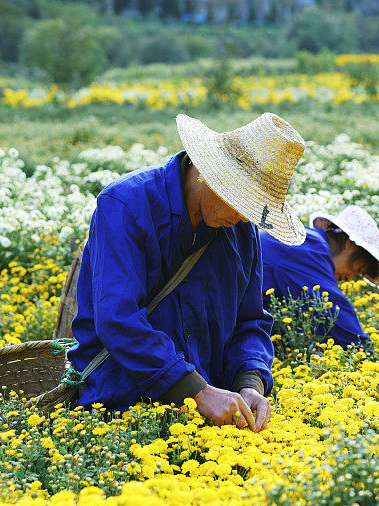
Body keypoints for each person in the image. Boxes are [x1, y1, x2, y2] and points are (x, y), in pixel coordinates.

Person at [66, 112, 307, 433]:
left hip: (212, 416)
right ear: (210, 174)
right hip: (120, 405)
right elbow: (118, 320)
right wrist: (196, 391)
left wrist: (250, 381)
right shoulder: (125, 205)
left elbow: (250, 321)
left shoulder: (240, 228)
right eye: (241, 203)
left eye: (253, 209)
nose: (244, 218)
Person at [260, 205, 379, 351]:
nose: (349, 279)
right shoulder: (309, 245)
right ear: (350, 245)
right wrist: (366, 357)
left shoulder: (306, 238)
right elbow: (333, 309)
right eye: (357, 269)